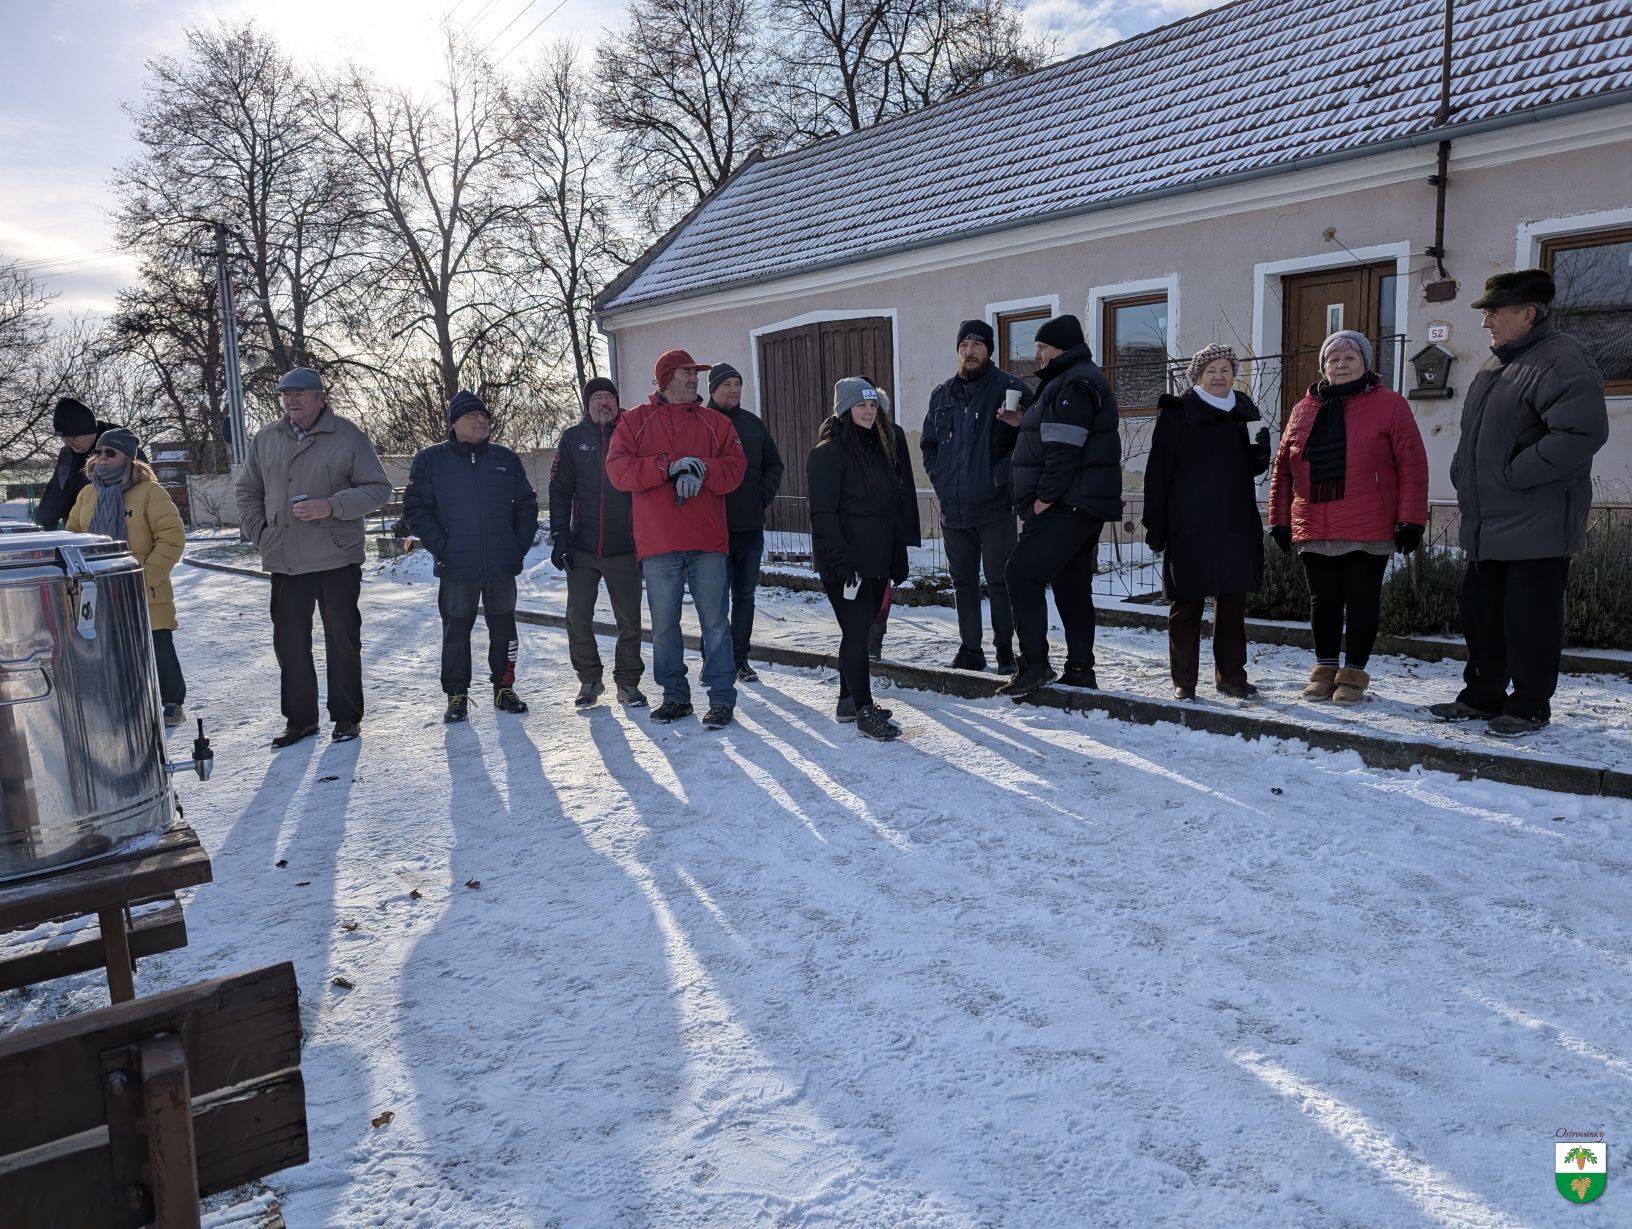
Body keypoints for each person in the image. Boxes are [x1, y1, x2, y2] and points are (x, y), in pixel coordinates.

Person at [1430, 269, 1609, 736]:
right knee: (1481, 615)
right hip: (1489, 520)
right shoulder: (1498, 364)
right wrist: (1463, 472)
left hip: (1538, 520)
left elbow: (1581, 432)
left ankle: (1529, 705)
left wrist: (1514, 474)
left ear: (1528, 314)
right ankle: (1482, 696)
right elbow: (1478, 435)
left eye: (1494, 311)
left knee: (1530, 620)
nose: (1485, 321)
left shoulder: (1562, 358)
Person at [1268, 331, 1428, 704]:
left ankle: (1353, 674)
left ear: (1365, 364)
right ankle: (1324, 671)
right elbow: (1283, 469)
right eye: (1333, 359)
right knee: (1322, 601)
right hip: (1314, 522)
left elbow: (1412, 464)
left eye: (1350, 358)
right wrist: (1279, 518)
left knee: (1361, 601)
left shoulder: (1390, 405)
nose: (1341, 365)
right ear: (1323, 367)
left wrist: (1411, 519)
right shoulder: (1303, 408)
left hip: (1368, 523)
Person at [236, 367, 390, 748]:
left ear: (321, 398)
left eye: (300, 393)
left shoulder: (347, 435)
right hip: (285, 557)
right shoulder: (266, 439)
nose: (291, 400)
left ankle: (347, 718)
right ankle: (300, 721)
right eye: (286, 395)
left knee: (342, 639)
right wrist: (261, 533)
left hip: (336, 556)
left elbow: (378, 488)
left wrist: (331, 506)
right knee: (289, 643)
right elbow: (247, 491)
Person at [605, 349, 746, 730]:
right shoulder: (634, 422)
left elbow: (736, 469)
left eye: (695, 373)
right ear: (666, 377)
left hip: (707, 541)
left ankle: (721, 698)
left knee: (715, 623)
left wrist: (703, 469)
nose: (695, 378)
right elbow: (618, 471)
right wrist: (667, 467)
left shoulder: (716, 423)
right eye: (687, 372)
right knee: (665, 625)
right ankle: (675, 697)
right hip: (659, 542)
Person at [1002, 314, 1122, 699]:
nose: (1036, 354)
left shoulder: (1073, 382)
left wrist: (1043, 500)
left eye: (1042, 347)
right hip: (1080, 503)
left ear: (1063, 348)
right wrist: (1024, 422)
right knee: (1071, 585)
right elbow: (1056, 433)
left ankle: (1035, 665)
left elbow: (1065, 450)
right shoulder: (1071, 379)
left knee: (1021, 574)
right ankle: (1080, 670)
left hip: (1066, 503)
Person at [1143, 343, 1272, 700]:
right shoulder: (1177, 413)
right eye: (1210, 371)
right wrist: (1156, 524)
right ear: (1197, 377)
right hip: (1189, 524)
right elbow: (1157, 473)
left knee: (1231, 605)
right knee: (1186, 605)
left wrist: (1261, 451)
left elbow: (1254, 465)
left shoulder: (1245, 410)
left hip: (1234, 522)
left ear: (1233, 374)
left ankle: (1231, 676)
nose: (1219, 376)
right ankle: (1184, 681)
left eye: (1225, 369)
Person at [404, 390, 539, 724]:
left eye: (484, 416)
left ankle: (504, 688)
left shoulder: (506, 459)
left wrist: (517, 545)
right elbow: (416, 509)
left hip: (500, 566)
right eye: (472, 415)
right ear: (454, 423)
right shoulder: (431, 460)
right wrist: (442, 546)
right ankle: (456, 695)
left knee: (505, 631)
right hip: (457, 567)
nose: (481, 420)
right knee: (456, 633)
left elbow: (527, 504)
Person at [921, 319, 1030, 673]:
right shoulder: (942, 395)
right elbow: (929, 445)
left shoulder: (1011, 389)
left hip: (995, 506)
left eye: (977, 345)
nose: (970, 352)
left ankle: (1004, 651)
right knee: (963, 583)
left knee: (1000, 581)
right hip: (953, 510)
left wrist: (1001, 477)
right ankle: (970, 649)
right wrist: (941, 478)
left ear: (989, 350)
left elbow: (1030, 441)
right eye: (964, 346)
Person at [66, 428, 188, 726]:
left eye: (110, 452)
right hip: (98, 587)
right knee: (107, 650)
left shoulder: (150, 492)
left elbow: (171, 538)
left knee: (158, 647)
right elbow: (72, 537)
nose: (102, 458)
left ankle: (172, 703)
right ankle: (121, 702)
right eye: (98, 452)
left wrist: (144, 577)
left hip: (144, 587)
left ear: (129, 459)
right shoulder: (87, 494)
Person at [808, 378, 909, 740]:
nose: (868, 412)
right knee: (855, 632)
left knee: (861, 631)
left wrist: (896, 555)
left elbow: (890, 509)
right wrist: (841, 561)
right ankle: (865, 710)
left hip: (877, 558)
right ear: (844, 409)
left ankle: (848, 701)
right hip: (846, 563)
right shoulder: (828, 453)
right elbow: (823, 514)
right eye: (861, 405)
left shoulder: (879, 449)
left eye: (872, 405)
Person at [549, 377, 646, 708]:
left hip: (625, 548)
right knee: (577, 619)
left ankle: (628, 683)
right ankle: (589, 679)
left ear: (617, 403)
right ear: (587, 405)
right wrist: (560, 538)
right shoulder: (573, 439)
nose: (604, 402)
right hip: (582, 548)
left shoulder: (632, 434)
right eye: (597, 398)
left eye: (609, 397)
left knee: (630, 622)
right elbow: (560, 491)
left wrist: (644, 539)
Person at [707, 362, 784, 683]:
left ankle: (739, 659)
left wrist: (761, 496)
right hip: (712, 530)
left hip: (750, 527)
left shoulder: (753, 425)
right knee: (713, 602)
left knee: (744, 597)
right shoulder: (701, 423)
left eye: (738, 384)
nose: (734, 389)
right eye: (727, 384)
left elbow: (774, 465)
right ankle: (714, 660)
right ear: (713, 389)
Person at [861, 381, 922, 662]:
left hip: (887, 524)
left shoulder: (892, 434)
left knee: (883, 582)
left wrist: (905, 527)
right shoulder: (842, 435)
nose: (868, 410)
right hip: (858, 526)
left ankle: (874, 640)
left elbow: (904, 480)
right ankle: (859, 637)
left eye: (872, 405)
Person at [34, 397, 128, 530]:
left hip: (115, 530)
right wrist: (40, 529)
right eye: (64, 438)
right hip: (76, 530)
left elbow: (142, 493)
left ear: (89, 430)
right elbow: (54, 494)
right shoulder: (67, 454)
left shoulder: (122, 450)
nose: (69, 443)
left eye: (73, 437)